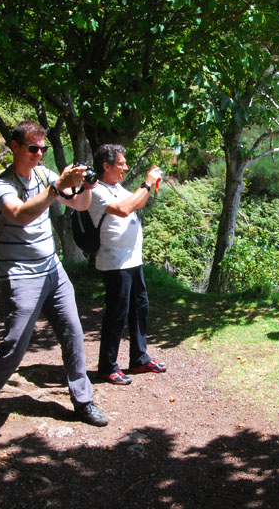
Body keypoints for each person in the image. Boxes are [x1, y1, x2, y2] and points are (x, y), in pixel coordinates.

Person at [0, 121, 108, 432]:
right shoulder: (1, 185)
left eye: (42, 148)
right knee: (14, 346)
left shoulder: (44, 175)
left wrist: (86, 187)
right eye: (33, 148)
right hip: (20, 274)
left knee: (73, 334)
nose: (39, 153)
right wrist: (56, 188)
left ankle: (83, 401)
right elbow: (21, 215)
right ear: (15, 147)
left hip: (52, 269)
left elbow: (79, 205)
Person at [88, 144, 166, 385]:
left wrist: (148, 186)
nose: (125, 167)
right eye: (121, 163)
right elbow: (124, 209)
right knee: (117, 313)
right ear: (106, 166)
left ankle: (139, 358)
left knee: (139, 308)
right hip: (114, 261)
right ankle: (107, 366)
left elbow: (136, 203)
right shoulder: (95, 191)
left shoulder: (117, 187)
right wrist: (146, 182)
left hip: (132, 259)